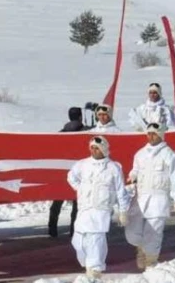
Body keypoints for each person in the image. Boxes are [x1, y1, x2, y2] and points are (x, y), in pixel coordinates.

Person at [67, 135, 131, 282]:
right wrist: (80, 189)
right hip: (84, 210)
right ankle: (88, 264)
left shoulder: (113, 167)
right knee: (78, 242)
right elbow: (71, 177)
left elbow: (121, 191)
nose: (94, 150)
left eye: (97, 148)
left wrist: (123, 211)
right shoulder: (82, 164)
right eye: (92, 148)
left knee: (96, 241)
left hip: (101, 211)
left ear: (104, 149)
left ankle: (95, 271)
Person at [125, 122, 175, 269]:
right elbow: (135, 170)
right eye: (149, 133)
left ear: (161, 135)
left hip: (159, 198)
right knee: (132, 231)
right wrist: (132, 176)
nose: (151, 136)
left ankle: (151, 260)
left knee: (154, 232)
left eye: (154, 133)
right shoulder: (140, 153)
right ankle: (141, 249)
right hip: (140, 197)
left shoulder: (169, 154)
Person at [50, 107, 86, 238]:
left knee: (57, 201)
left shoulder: (60, 133)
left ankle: (52, 229)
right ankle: (73, 231)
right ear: (80, 117)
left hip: (61, 171)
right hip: (78, 173)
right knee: (77, 204)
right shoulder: (86, 133)